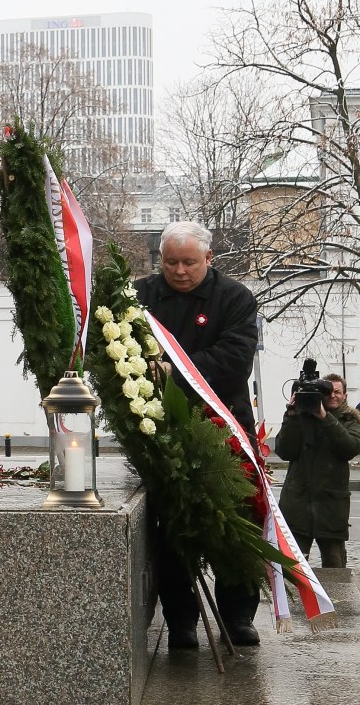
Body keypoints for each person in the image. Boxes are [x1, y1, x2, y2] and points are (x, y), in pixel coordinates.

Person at [135, 221, 261, 649]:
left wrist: (175, 370)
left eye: (189, 262)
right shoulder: (142, 296)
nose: (180, 271)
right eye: (170, 262)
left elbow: (234, 360)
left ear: (209, 259)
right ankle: (182, 620)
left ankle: (238, 614)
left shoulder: (236, 298)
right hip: (162, 429)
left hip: (224, 424)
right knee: (172, 530)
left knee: (237, 520)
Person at [276, 373, 360, 567]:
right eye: (328, 392)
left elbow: (349, 448)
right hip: (297, 504)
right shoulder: (300, 417)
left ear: (345, 396)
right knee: (293, 567)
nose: (333, 396)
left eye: (337, 392)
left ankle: (336, 599)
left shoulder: (351, 421)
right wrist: (291, 415)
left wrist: (324, 416)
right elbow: (284, 451)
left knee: (335, 568)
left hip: (331, 509)